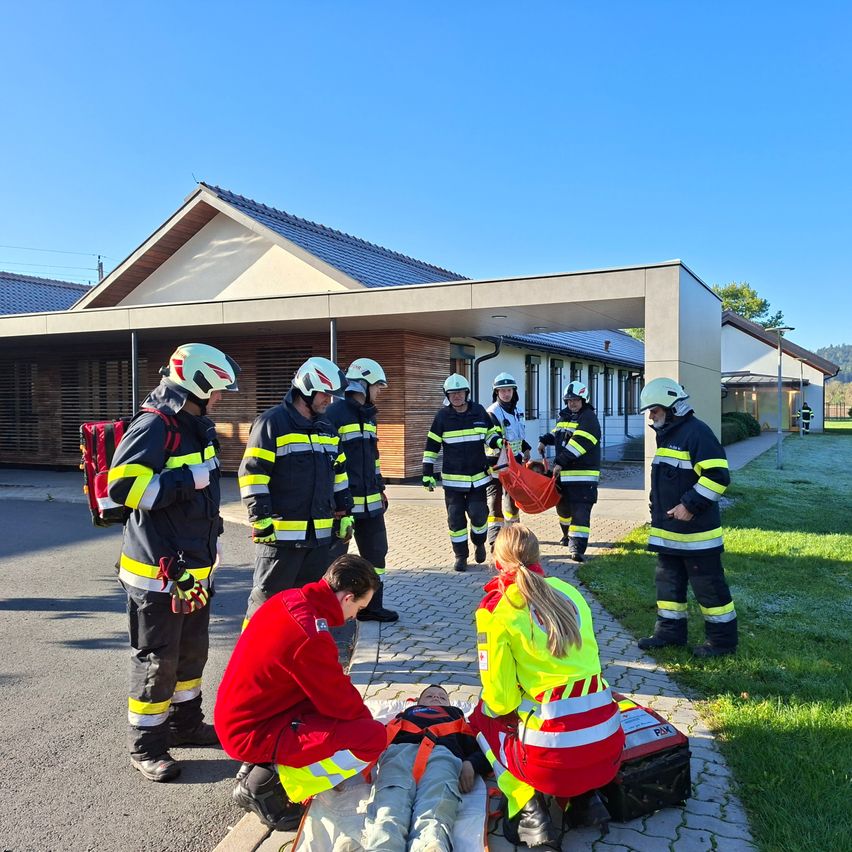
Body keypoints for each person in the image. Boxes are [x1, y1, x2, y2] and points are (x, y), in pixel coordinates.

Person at [107, 343, 240, 782]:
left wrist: (211, 540)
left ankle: (186, 725)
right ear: (196, 384)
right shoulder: (153, 425)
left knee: (191, 654)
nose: (220, 398)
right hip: (157, 576)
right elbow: (123, 488)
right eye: (217, 390)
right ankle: (146, 747)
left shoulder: (194, 424)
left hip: (192, 569)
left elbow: (202, 500)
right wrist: (186, 480)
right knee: (156, 661)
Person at [470, 524, 623, 847]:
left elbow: (499, 699)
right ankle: (585, 800)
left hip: (553, 758)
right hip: (607, 743)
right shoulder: (570, 592)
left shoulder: (496, 610)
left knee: (482, 718)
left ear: (497, 563)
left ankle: (529, 812)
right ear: (539, 555)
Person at [215, 554, 388, 829]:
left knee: (340, 722)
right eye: (360, 606)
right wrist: (370, 726)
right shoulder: (310, 634)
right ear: (347, 597)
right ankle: (267, 785)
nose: (356, 615)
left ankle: (265, 765)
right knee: (372, 738)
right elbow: (339, 701)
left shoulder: (293, 599)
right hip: (251, 732)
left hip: (249, 716)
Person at [238, 356, 353, 623]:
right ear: (307, 389)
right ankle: (251, 660)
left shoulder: (327, 429)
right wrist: (260, 518)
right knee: (266, 605)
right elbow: (253, 473)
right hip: (280, 542)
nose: (329, 400)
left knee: (307, 607)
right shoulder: (272, 423)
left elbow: (340, 474)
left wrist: (344, 511)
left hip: (319, 541)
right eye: (325, 393)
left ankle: (296, 661)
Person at [637, 377, 738, 658]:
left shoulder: (697, 433)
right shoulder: (669, 435)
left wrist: (689, 506)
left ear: (672, 407)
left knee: (710, 590)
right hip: (669, 534)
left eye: (654, 411)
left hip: (697, 536)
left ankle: (722, 642)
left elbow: (718, 476)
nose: (651, 417)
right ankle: (669, 634)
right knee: (668, 586)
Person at [363, 685, 490, 852]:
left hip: (442, 756)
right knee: (389, 808)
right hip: (399, 754)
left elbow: (484, 749)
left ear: (450, 704)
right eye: (429, 695)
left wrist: (471, 764)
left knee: (435, 808)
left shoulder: (456, 718)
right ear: (417, 703)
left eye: (442, 697)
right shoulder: (404, 716)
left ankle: (431, 845)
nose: (436, 697)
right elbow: (374, 739)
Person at [325, 358, 398, 622]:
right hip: (344, 506)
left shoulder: (369, 418)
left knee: (377, 555)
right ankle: (329, 613)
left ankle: (370, 609)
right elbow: (329, 463)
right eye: (377, 386)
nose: (379, 392)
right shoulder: (334, 415)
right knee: (334, 560)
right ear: (362, 385)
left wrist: (380, 489)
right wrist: (335, 504)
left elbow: (374, 458)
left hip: (372, 504)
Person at [422, 374, 498, 572]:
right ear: (447, 395)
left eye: (460, 393)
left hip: (478, 479)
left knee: (479, 516)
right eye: (452, 394)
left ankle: (479, 542)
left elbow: (490, 434)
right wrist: (427, 472)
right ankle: (460, 556)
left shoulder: (479, 412)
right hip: (453, 481)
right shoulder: (442, 417)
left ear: (467, 393)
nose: (457, 396)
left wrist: (496, 442)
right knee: (455, 520)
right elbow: (431, 446)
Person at [538, 380, 601, 562]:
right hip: (564, 477)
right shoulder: (565, 417)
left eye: (576, 400)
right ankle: (567, 536)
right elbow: (557, 434)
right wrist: (544, 440)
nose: (572, 403)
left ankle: (577, 549)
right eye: (569, 400)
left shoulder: (588, 418)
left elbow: (577, 444)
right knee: (563, 510)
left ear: (584, 400)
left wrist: (559, 462)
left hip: (583, 478)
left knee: (580, 512)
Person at [485, 372, 531, 548]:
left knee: (513, 500)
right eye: (502, 390)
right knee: (494, 500)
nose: (506, 394)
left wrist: (526, 447)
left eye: (509, 390)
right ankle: (495, 539)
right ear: (496, 392)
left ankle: (514, 535)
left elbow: (517, 435)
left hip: (515, 463)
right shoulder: (492, 412)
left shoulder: (518, 410)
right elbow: (496, 438)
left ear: (514, 391)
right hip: (496, 462)